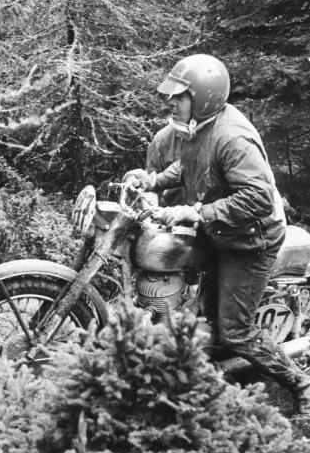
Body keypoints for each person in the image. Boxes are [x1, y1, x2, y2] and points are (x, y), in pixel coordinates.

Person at [125, 53, 310, 417]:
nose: (171, 101)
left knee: (235, 330)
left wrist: (197, 212)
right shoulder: (199, 125)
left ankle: (301, 384)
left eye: (179, 96)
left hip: (250, 242)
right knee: (205, 316)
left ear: (203, 96)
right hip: (223, 231)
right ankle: (210, 380)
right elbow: (188, 165)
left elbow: (257, 197)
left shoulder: (233, 137)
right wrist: (153, 180)